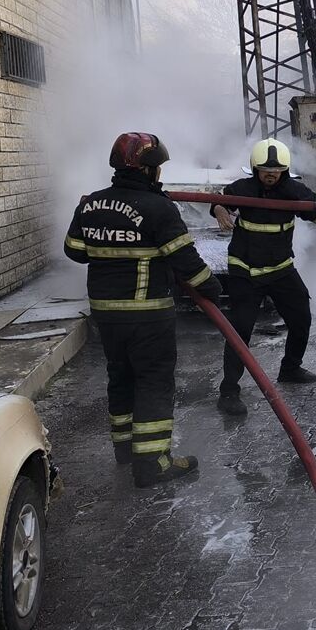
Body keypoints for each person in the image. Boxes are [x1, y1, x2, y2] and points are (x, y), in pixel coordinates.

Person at [64, 132, 224, 488]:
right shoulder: (159, 208)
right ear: (149, 171)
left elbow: (74, 250)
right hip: (148, 314)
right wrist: (212, 288)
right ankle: (152, 462)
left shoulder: (91, 204)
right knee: (153, 382)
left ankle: (125, 449)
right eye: (159, 169)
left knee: (120, 377)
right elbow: (187, 262)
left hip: (106, 315)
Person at [211, 137, 316, 416]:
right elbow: (219, 200)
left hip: (280, 268)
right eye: (266, 169)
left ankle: (290, 368)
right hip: (244, 270)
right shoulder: (242, 188)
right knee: (240, 331)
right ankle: (229, 391)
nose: (271, 174)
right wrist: (220, 209)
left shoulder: (295, 190)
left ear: (285, 169)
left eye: (277, 169)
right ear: (255, 168)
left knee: (301, 317)